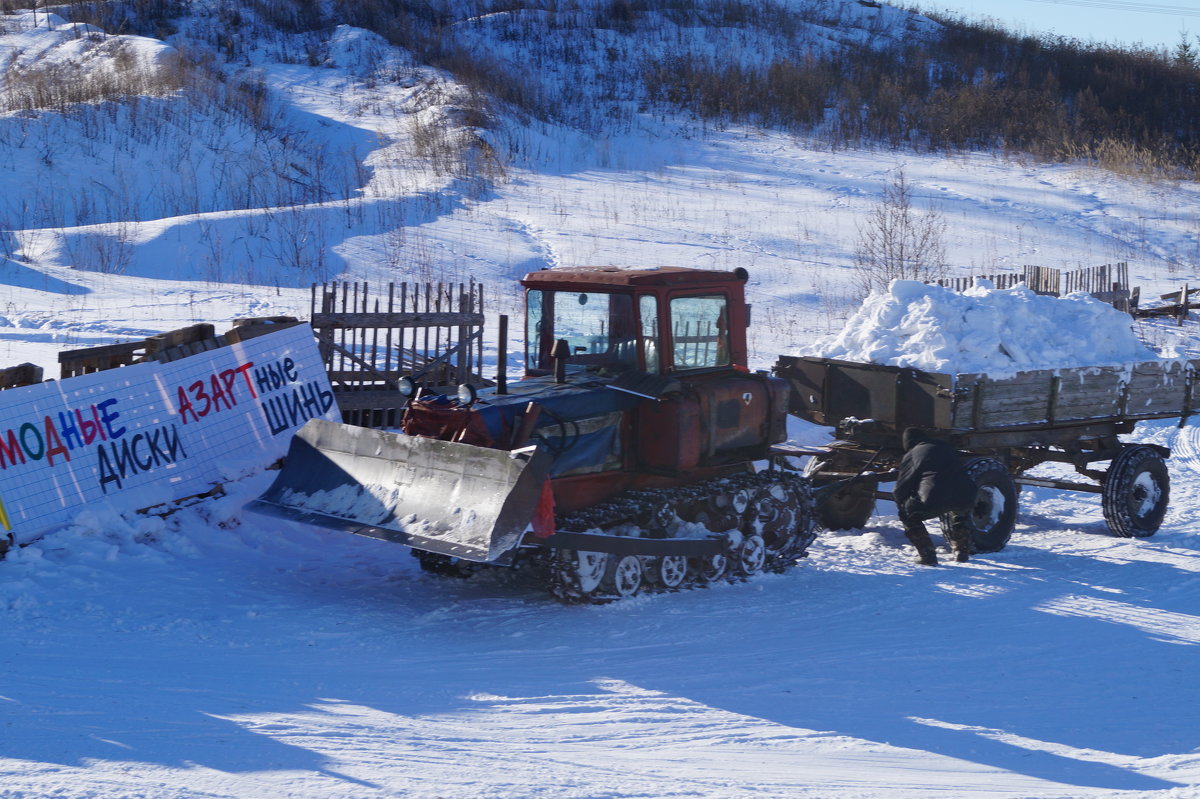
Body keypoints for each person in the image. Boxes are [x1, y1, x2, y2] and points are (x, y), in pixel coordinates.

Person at [893, 427, 978, 566]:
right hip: (967, 494)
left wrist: (902, 503)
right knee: (960, 512)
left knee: (908, 515)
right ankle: (962, 551)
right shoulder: (945, 447)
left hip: (934, 498)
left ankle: (928, 555)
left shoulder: (913, 453)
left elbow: (902, 487)